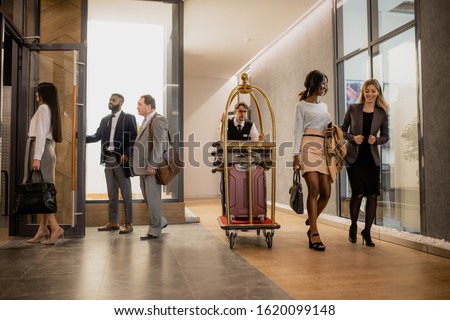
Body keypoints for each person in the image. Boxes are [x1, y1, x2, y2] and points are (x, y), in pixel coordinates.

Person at [340, 79, 389, 247]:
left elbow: (386, 137)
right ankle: (353, 226)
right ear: (363, 92)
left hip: (372, 159)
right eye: (367, 91)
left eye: (373, 91)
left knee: (373, 196)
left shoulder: (382, 112)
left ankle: (367, 231)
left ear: (378, 92)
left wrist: (376, 140)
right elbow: (342, 130)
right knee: (358, 193)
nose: (370, 94)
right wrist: (353, 137)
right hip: (354, 158)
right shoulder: (353, 108)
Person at [293, 70, 334, 252]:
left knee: (326, 192)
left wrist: (330, 131)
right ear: (313, 83)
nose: (325, 86)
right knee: (314, 188)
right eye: (322, 83)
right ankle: (314, 232)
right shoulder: (301, 106)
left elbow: (326, 127)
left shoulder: (324, 106)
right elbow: (297, 131)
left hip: (323, 148)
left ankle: (312, 216)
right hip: (308, 146)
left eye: (326, 83)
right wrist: (295, 156)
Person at [86, 93, 137, 234]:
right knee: (111, 193)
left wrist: (126, 153)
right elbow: (97, 136)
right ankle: (113, 222)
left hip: (121, 160)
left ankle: (129, 223)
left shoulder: (128, 118)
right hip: (107, 160)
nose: (110, 102)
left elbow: (133, 138)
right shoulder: (105, 120)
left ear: (120, 103)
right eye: (109, 99)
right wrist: (81, 138)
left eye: (113, 100)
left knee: (126, 193)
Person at [26, 82, 64, 245]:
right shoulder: (51, 109)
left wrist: (37, 157)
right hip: (47, 150)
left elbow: (41, 135)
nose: (36, 95)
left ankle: (55, 228)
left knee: (43, 191)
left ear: (43, 94)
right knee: (44, 190)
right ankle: (42, 229)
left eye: (38, 92)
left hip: (40, 150)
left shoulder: (43, 109)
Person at [131, 94, 168, 240]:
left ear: (149, 106)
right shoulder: (147, 120)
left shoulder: (158, 120)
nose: (137, 107)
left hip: (150, 167)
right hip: (143, 168)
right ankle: (161, 221)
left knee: (152, 198)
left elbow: (159, 144)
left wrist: (153, 163)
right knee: (148, 197)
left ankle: (154, 230)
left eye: (140, 104)